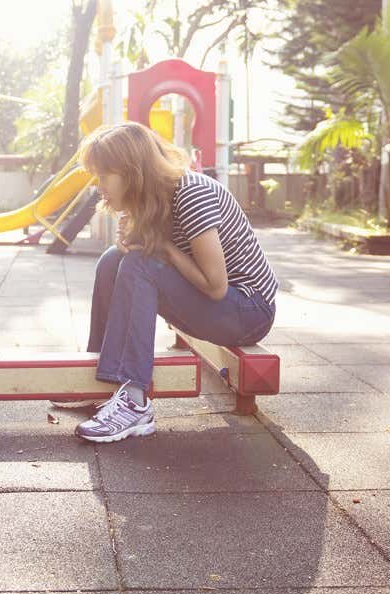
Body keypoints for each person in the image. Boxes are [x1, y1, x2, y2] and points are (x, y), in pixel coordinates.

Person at [57, 122, 279, 443]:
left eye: (104, 176)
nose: (98, 185)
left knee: (139, 263)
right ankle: (102, 385)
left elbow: (216, 286)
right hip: (222, 304)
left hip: (247, 310)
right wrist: (135, 238)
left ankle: (135, 402)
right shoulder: (155, 197)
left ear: (131, 172)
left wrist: (160, 246)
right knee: (112, 261)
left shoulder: (192, 195)